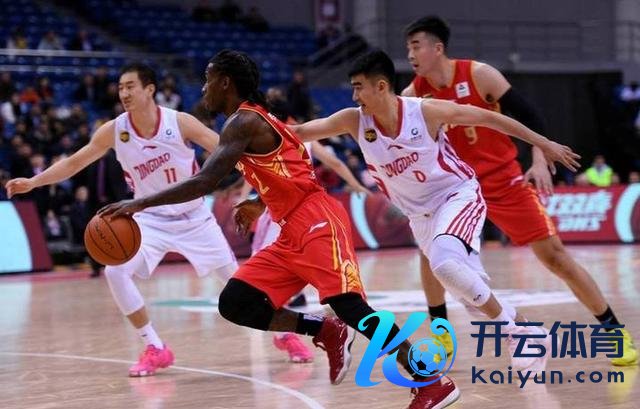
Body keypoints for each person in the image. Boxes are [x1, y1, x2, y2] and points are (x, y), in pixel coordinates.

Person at [99, 49, 460, 409]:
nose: (203, 87)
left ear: (225, 83)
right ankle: (323, 329)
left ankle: (431, 381)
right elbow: (288, 167)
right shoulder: (253, 119)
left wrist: (139, 203)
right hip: (290, 228)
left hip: (316, 219)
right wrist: (260, 202)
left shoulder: (243, 121)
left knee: (351, 307)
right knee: (236, 302)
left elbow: (206, 180)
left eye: (208, 79)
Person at [292, 50, 580, 378]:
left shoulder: (424, 111)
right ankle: (527, 332)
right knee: (472, 297)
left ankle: (516, 333)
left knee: (444, 263)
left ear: (381, 86)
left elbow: (490, 118)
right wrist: (253, 128)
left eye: (359, 87)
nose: (355, 96)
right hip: (421, 217)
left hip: (456, 196)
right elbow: (299, 133)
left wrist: (543, 143)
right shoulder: (354, 120)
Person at [401, 16, 637, 366]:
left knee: (555, 257)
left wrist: (539, 159)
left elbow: (531, 116)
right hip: (453, 188)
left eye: (416, 46)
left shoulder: (480, 75)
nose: (410, 55)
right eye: (407, 48)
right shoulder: (411, 96)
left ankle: (614, 332)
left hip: (501, 180)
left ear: (438, 48)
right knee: (430, 252)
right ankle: (441, 332)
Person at [5, 63, 239, 378]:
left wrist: (255, 186)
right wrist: (34, 182)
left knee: (240, 287)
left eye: (130, 86)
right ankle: (155, 346)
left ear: (150, 89)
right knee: (115, 272)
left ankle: (284, 335)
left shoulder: (179, 122)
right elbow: (74, 162)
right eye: (120, 88)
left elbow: (227, 150)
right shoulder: (115, 130)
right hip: (149, 219)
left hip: (195, 217)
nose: (124, 93)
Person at [239, 86, 370, 364]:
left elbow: (330, 161)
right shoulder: (287, 136)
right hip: (284, 214)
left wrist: (246, 196)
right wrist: (356, 183)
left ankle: (293, 329)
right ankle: (302, 325)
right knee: (249, 288)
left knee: (344, 301)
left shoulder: (282, 135)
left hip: (297, 214)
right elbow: (333, 163)